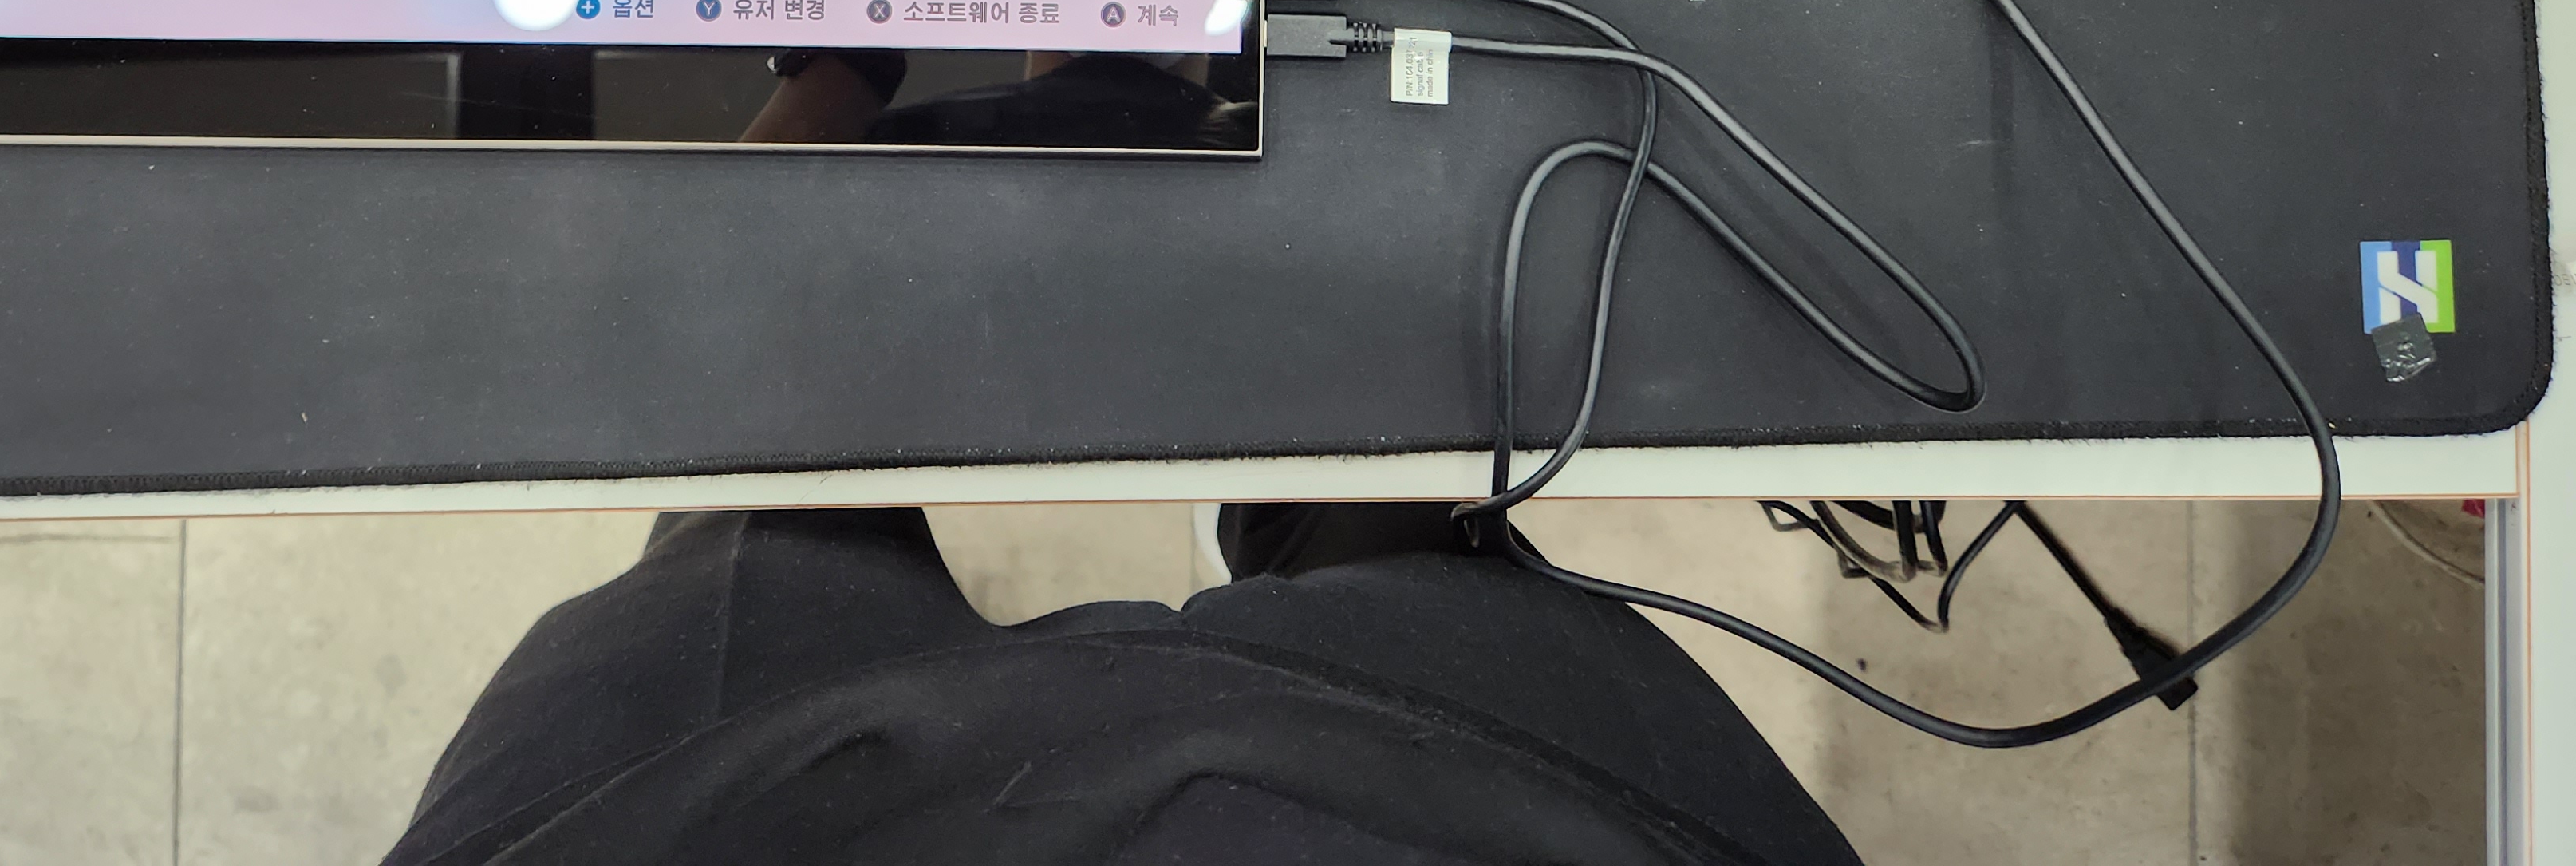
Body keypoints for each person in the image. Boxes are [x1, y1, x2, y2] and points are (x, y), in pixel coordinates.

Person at [380, 503, 1860, 864]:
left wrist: (834, 73)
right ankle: (1335, 511)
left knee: (766, 519)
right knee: (1402, 520)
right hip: (1502, 790)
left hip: (695, 811)